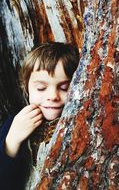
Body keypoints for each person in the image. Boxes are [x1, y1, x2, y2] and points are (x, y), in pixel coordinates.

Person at [0, 42, 79, 190]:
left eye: (64, 88)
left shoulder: (85, 120)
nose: (52, 96)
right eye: (41, 88)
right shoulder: (15, 123)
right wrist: (12, 141)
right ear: (27, 88)